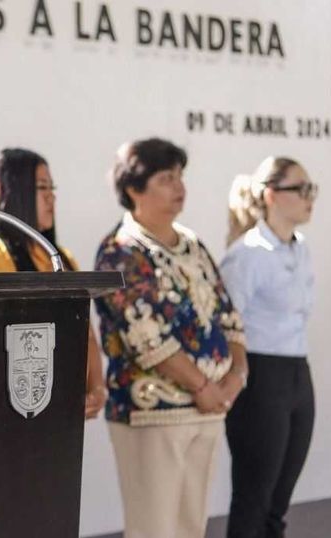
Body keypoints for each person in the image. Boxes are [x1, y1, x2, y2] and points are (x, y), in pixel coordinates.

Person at [93, 138, 248, 538]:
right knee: (154, 529)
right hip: (152, 411)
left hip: (210, 406)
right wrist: (202, 385)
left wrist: (236, 376)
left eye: (180, 177)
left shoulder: (193, 244)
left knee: (190, 527)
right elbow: (145, 337)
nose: (179, 187)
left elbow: (228, 317)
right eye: (166, 178)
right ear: (133, 189)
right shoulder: (120, 251)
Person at [0, 147, 107, 418]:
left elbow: (85, 331)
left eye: (52, 187)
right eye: (40, 187)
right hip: (8, 409)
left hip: (61, 405)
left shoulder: (59, 256)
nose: (52, 196)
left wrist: (96, 387)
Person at [221, 156, 318, 538]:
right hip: (260, 379)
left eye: (313, 189)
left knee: (277, 506)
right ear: (272, 195)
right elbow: (227, 326)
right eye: (301, 188)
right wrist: (238, 376)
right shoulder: (246, 254)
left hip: (297, 374)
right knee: (253, 499)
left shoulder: (302, 248)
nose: (310, 198)